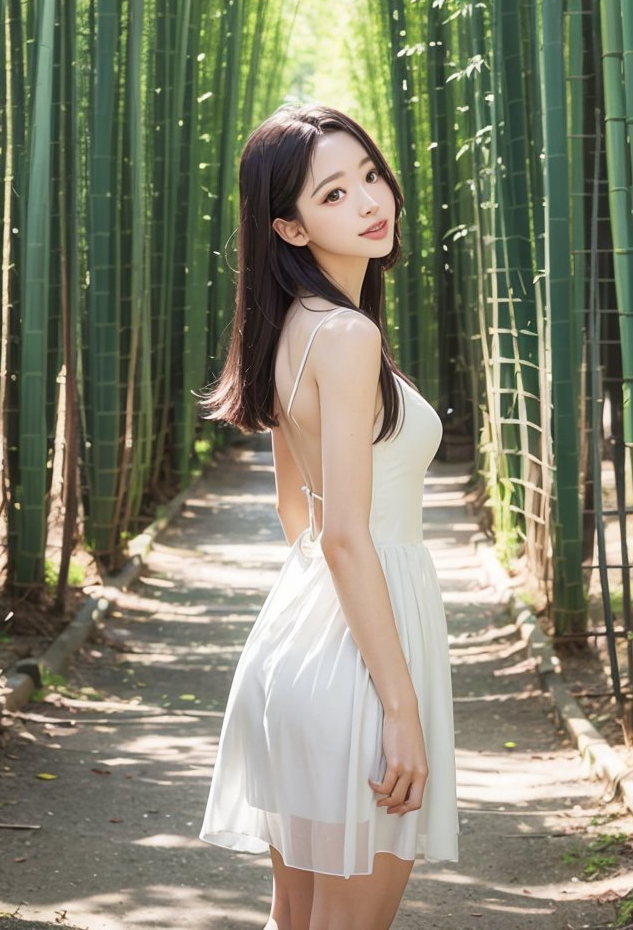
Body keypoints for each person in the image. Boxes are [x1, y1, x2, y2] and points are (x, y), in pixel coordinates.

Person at [197, 101, 459, 930]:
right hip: (360, 668)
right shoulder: (344, 337)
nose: (369, 201)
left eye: (369, 176)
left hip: (301, 649)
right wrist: (399, 704)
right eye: (334, 194)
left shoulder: (291, 332)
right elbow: (343, 535)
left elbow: (292, 509)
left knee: (296, 921)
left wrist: (327, 642)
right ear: (291, 227)